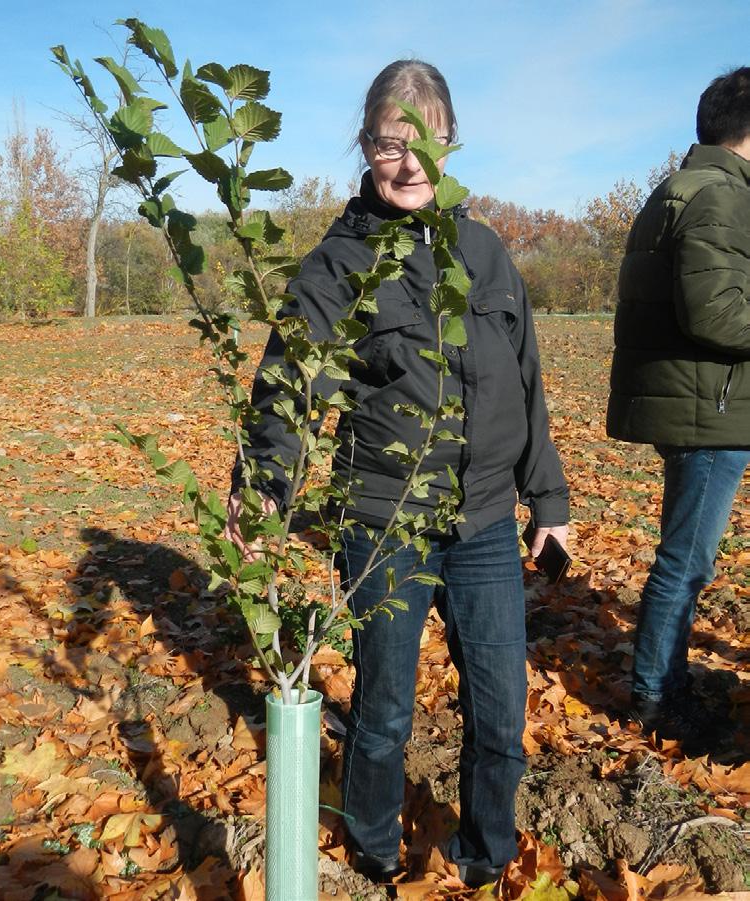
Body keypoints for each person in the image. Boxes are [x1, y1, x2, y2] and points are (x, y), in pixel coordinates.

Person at [226, 60, 569, 887]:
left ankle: (485, 851)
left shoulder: (484, 251)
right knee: (383, 706)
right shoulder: (339, 263)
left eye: (427, 141)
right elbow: (289, 385)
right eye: (389, 143)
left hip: (485, 517)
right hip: (385, 518)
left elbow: (525, 378)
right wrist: (264, 487)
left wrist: (547, 499)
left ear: (451, 142)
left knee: (500, 709)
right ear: (366, 146)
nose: (410, 163)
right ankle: (374, 840)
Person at [606, 66, 750, 751]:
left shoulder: (680, 187)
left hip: (692, 402)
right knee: (686, 561)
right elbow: (718, 313)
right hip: (709, 409)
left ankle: (665, 684)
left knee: (683, 556)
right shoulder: (722, 196)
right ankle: (658, 699)